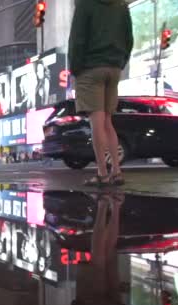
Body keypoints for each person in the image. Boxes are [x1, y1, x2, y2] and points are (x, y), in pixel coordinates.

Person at [68, 0, 133, 186]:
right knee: (107, 122)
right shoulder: (122, 6)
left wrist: (75, 68)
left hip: (91, 68)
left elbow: (77, 40)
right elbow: (129, 39)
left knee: (97, 122)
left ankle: (102, 173)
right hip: (114, 67)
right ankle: (117, 171)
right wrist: (120, 62)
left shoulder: (85, 5)